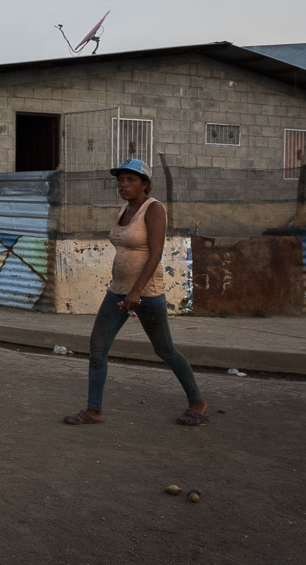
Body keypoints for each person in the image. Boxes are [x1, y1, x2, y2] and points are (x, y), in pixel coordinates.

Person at [64, 159, 208, 426]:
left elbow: (155, 254)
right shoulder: (124, 210)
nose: (123, 184)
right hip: (118, 291)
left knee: (165, 350)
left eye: (130, 180)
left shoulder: (153, 210)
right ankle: (94, 410)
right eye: (120, 180)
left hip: (147, 293)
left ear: (145, 184)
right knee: (97, 347)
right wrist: (125, 289)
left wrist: (137, 290)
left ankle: (197, 402)